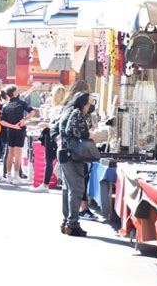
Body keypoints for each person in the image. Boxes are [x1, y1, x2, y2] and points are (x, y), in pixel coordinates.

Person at [59, 91, 95, 237]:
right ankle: (72, 223)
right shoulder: (77, 113)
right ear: (85, 102)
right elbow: (72, 130)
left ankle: (67, 221)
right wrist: (88, 134)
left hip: (65, 152)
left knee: (68, 188)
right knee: (77, 188)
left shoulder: (70, 111)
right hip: (72, 154)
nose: (92, 104)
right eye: (91, 101)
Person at [32, 85, 66, 193]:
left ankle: (45, 184)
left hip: (52, 136)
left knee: (49, 160)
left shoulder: (57, 109)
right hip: (59, 137)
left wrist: (45, 124)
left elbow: (55, 125)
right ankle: (54, 182)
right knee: (57, 159)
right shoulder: (65, 108)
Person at [0, 85, 35, 185]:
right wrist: (24, 120)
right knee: (18, 153)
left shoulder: (5, 106)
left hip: (10, 130)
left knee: (10, 153)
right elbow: (32, 112)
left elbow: (2, 121)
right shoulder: (21, 103)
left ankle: (8, 175)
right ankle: (16, 176)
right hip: (20, 129)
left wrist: (12, 126)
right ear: (15, 93)